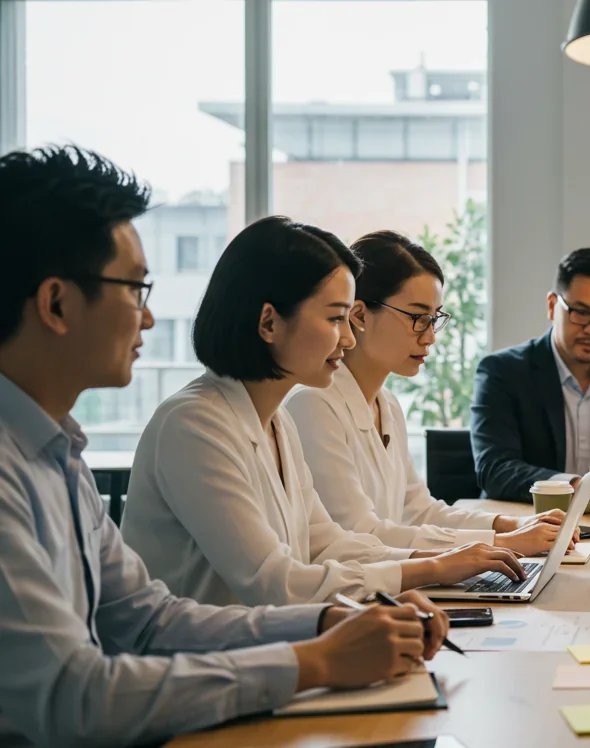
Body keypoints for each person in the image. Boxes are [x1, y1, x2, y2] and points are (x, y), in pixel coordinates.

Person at [0, 146, 449, 748]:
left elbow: (150, 621)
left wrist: (324, 625)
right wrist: (313, 658)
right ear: (55, 304)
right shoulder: (178, 425)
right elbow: (72, 700)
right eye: (134, 290)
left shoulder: (59, 453)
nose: (150, 317)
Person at [122, 216, 527, 607]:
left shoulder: (277, 421)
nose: (349, 338)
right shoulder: (195, 425)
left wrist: (440, 564)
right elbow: (275, 583)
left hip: (266, 650)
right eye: (337, 318)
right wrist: (434, 566)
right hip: (203, 665)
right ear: (268, 322)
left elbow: (327, 544)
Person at [286, 231, 577, 556]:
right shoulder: (313, 405)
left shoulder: (388, 405)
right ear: (359, 315)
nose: (429, 338)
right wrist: (502, 544)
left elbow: (420, 510)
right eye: (417, 318)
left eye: (433, 319)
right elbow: (361, 533)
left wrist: (508, 525)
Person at [471, 247, 590, 501]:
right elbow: (494, 468)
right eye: (582, 313)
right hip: (527, 524)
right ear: (552, 306)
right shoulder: (502, 372)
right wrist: (572, 486)